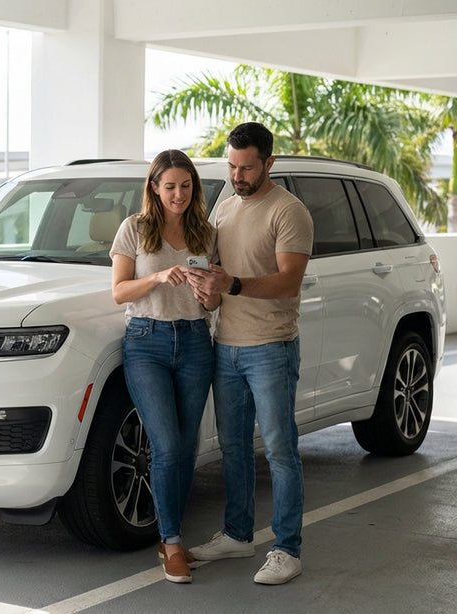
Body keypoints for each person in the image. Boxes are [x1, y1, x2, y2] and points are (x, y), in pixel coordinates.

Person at [187, 122, 314, 585]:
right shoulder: (223, 210)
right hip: (227, 348)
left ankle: (287, 549)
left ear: (269, 163)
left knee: (280, 450)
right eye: (232, 166)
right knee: (234, 448)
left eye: (246, 168)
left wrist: (233, 284)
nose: (237, 176)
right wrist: (207, 292)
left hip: (272, 348)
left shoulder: (289, 211)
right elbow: (219, 284)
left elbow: (289, 280)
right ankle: (239, 535)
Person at [109, 149, 220, 584]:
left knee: (187, 448)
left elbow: (213, 300)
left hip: (195, 341)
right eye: (170, 186)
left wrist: (208, 290)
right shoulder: (134, 229)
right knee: (168, 446)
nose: (179, 194)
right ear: (154, 188)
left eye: (186, 186)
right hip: (146, 343)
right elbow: (119, 291)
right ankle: (171, 542)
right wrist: (158, 276)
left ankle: (169, 539)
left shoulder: (206, 233)